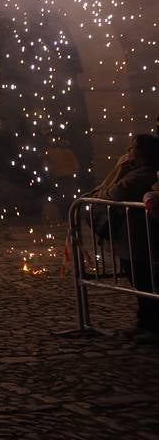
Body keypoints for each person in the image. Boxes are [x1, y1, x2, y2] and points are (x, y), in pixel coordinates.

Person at [89, 133, 159, 339]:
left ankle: (152, 326)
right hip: (130, 239)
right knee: (140, 284)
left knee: (146, 283)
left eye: (132, 148)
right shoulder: (135, 172)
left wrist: (118, 170)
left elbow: (108, 195)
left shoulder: (143, 175)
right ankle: (145, 323)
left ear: (143, 153)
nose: (128, 152)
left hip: (139, 239)